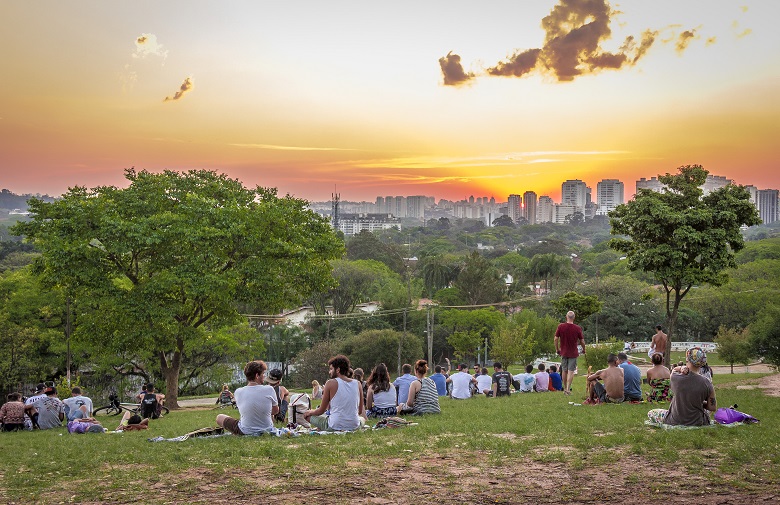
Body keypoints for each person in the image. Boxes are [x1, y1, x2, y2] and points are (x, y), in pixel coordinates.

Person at [649, 347, 716, 426]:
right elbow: (712, 407)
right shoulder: (707, 383)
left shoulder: (675, 377)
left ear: (687, 359)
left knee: (651, 413)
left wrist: (680, 368)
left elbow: (673, 370)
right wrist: (698, 402)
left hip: (675, 420)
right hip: (698, 421)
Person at [216, 360, 279, 436]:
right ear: (257, 376)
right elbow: (275, 411)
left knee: (219, 417)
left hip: (245, 431)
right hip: (267, 429)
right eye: (263, 373)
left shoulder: (238, 392)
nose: (264, 376)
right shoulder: (269, 389)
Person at [304, 355, 364, 431]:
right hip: (354, 425)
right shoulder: (358, 384)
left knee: (306, 415)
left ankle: (323, 426)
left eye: (331, 369)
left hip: (334, 426)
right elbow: (360, 411)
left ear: (338, 370)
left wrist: (309, 412)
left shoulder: (330, 383)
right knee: (362, 419)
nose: (329, 372)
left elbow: (321, 411)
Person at [554, 310, 586, 395]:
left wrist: (557, 349)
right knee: (571, 371)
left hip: (563, 352)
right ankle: (568, 388)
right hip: (573, 352)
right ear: (574, 318)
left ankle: (564, 388)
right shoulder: (577, 328)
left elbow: (556, 338)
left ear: (566, 317)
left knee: (564, 370)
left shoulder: (561, 326)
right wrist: (584, 349)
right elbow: (582, 341)